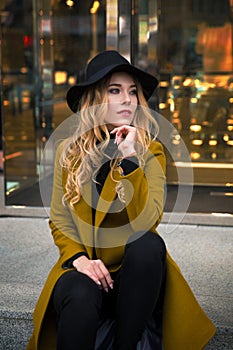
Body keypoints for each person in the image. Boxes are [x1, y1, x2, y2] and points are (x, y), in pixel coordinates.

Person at [27, 50, 215, 350]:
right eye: (115, 91)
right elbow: (59, 219)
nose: (128, 99)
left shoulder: (149, 150)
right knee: (80, 291)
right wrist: (79, 259)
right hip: (87, 269)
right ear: (96, 99)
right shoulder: (68, 150)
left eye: (132, 92)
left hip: (134, 277)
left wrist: (130, 159)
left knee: (149, 244)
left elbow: (148, 219)